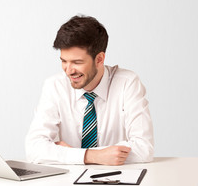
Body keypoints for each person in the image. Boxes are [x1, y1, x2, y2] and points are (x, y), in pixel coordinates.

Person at [25, 15, 154, 165]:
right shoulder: (54, 86)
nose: (69, 70)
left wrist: (69, 154)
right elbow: (34, 149)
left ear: (99, 59)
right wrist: (91, 156)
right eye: (64, 61)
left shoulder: (128, 83)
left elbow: (144, 149)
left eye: (77, 62)